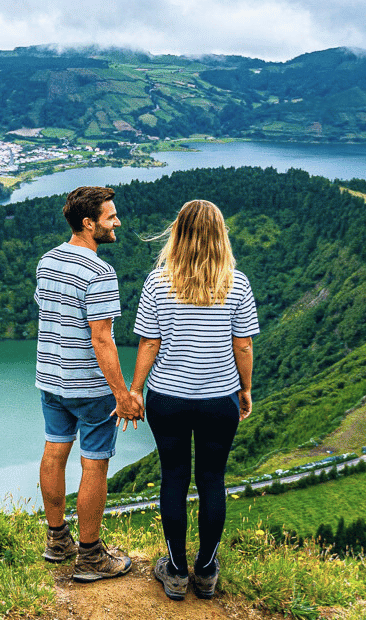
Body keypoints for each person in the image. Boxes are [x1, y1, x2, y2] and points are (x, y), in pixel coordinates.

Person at [129, 199, 259, 601]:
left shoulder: (157, 283)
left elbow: (150, 341)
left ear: (177, 233)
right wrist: (245, 388)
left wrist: (136, 389)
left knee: (173, 478)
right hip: (218, 399)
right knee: (212, 481)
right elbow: (244, 344)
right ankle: (205, 572)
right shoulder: (236, 283)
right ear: (221, 234)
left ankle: (175, 572)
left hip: (167, 398)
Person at [34, 185, 140, 582]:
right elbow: (102, 338)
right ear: (88, 223)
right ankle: (92, 557)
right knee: (94, 462)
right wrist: (122, 394)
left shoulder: (47, 261)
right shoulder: (99, 271)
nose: (117, 222)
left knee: (54, 451)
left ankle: (57, 540)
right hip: (89, 388)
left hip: (50, 378)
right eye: (110, 217)